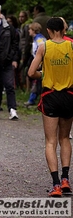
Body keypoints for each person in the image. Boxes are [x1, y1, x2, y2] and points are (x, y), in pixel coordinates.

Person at [28, 17, 73, 197]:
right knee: (65, 138)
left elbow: (31, 72)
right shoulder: (71, 46)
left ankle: (55, 185)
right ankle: (65, 180)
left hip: (51, 96)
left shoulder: (44, 47)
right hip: (69, 96)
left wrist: (45, 73)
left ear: (48, 30)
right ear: (63, 30)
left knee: (50, 141)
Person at [24, 22, 46, 106]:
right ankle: (33, 99)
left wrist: (38, 63)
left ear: (33, 30)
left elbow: (41, 50)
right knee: (37, 82)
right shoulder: (37, 38)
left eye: (30, 29)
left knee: (38, 81)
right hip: (38, 62)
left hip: (40, 64)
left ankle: (33, 99)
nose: (29, 31)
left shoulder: (39, 39)